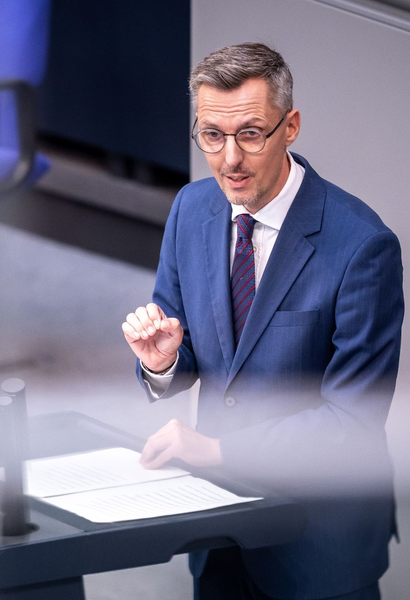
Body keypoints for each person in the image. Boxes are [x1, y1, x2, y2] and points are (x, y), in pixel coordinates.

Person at [122, 43, 403, 600]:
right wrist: (164, 363)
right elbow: (190, 358)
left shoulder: (363, 247)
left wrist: (217, 453)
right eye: (212, 136)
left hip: (319, 545)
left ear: (290, 126)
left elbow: (352, 422)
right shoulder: (191, 209)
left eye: (251, 133)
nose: (230, 159)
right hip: (222, 533)